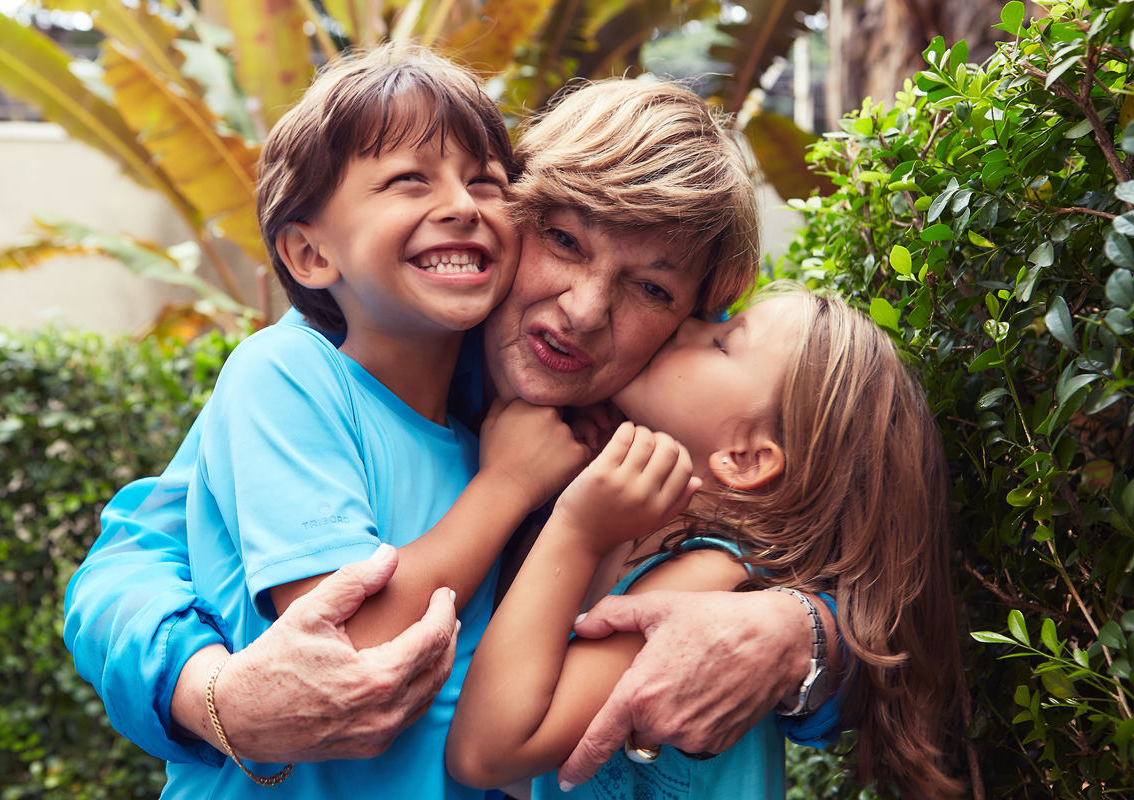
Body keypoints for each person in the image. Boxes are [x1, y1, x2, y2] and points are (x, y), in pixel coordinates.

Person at [63, 70, 843, 788]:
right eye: (563, 241)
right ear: (514, 213)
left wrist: (804, 634)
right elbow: (128, 569)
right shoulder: (334, 371)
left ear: (689, 322)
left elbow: (874, 539)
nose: (584, 309)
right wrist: (206, 691)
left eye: (649, 291)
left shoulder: (668, 427)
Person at [156, 45, 592, 798]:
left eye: (486, 181)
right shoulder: (285, 375)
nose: (463, 204)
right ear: (309, 251)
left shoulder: (482, 433)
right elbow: (350, 644)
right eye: (408, 181)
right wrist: (507, 487)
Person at [447, 284, 962, 799]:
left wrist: (576, 530)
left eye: (722, 342)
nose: (687, 325)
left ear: (745, 459)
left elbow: (488, 754)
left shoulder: (705, 582)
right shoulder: (647, 538)